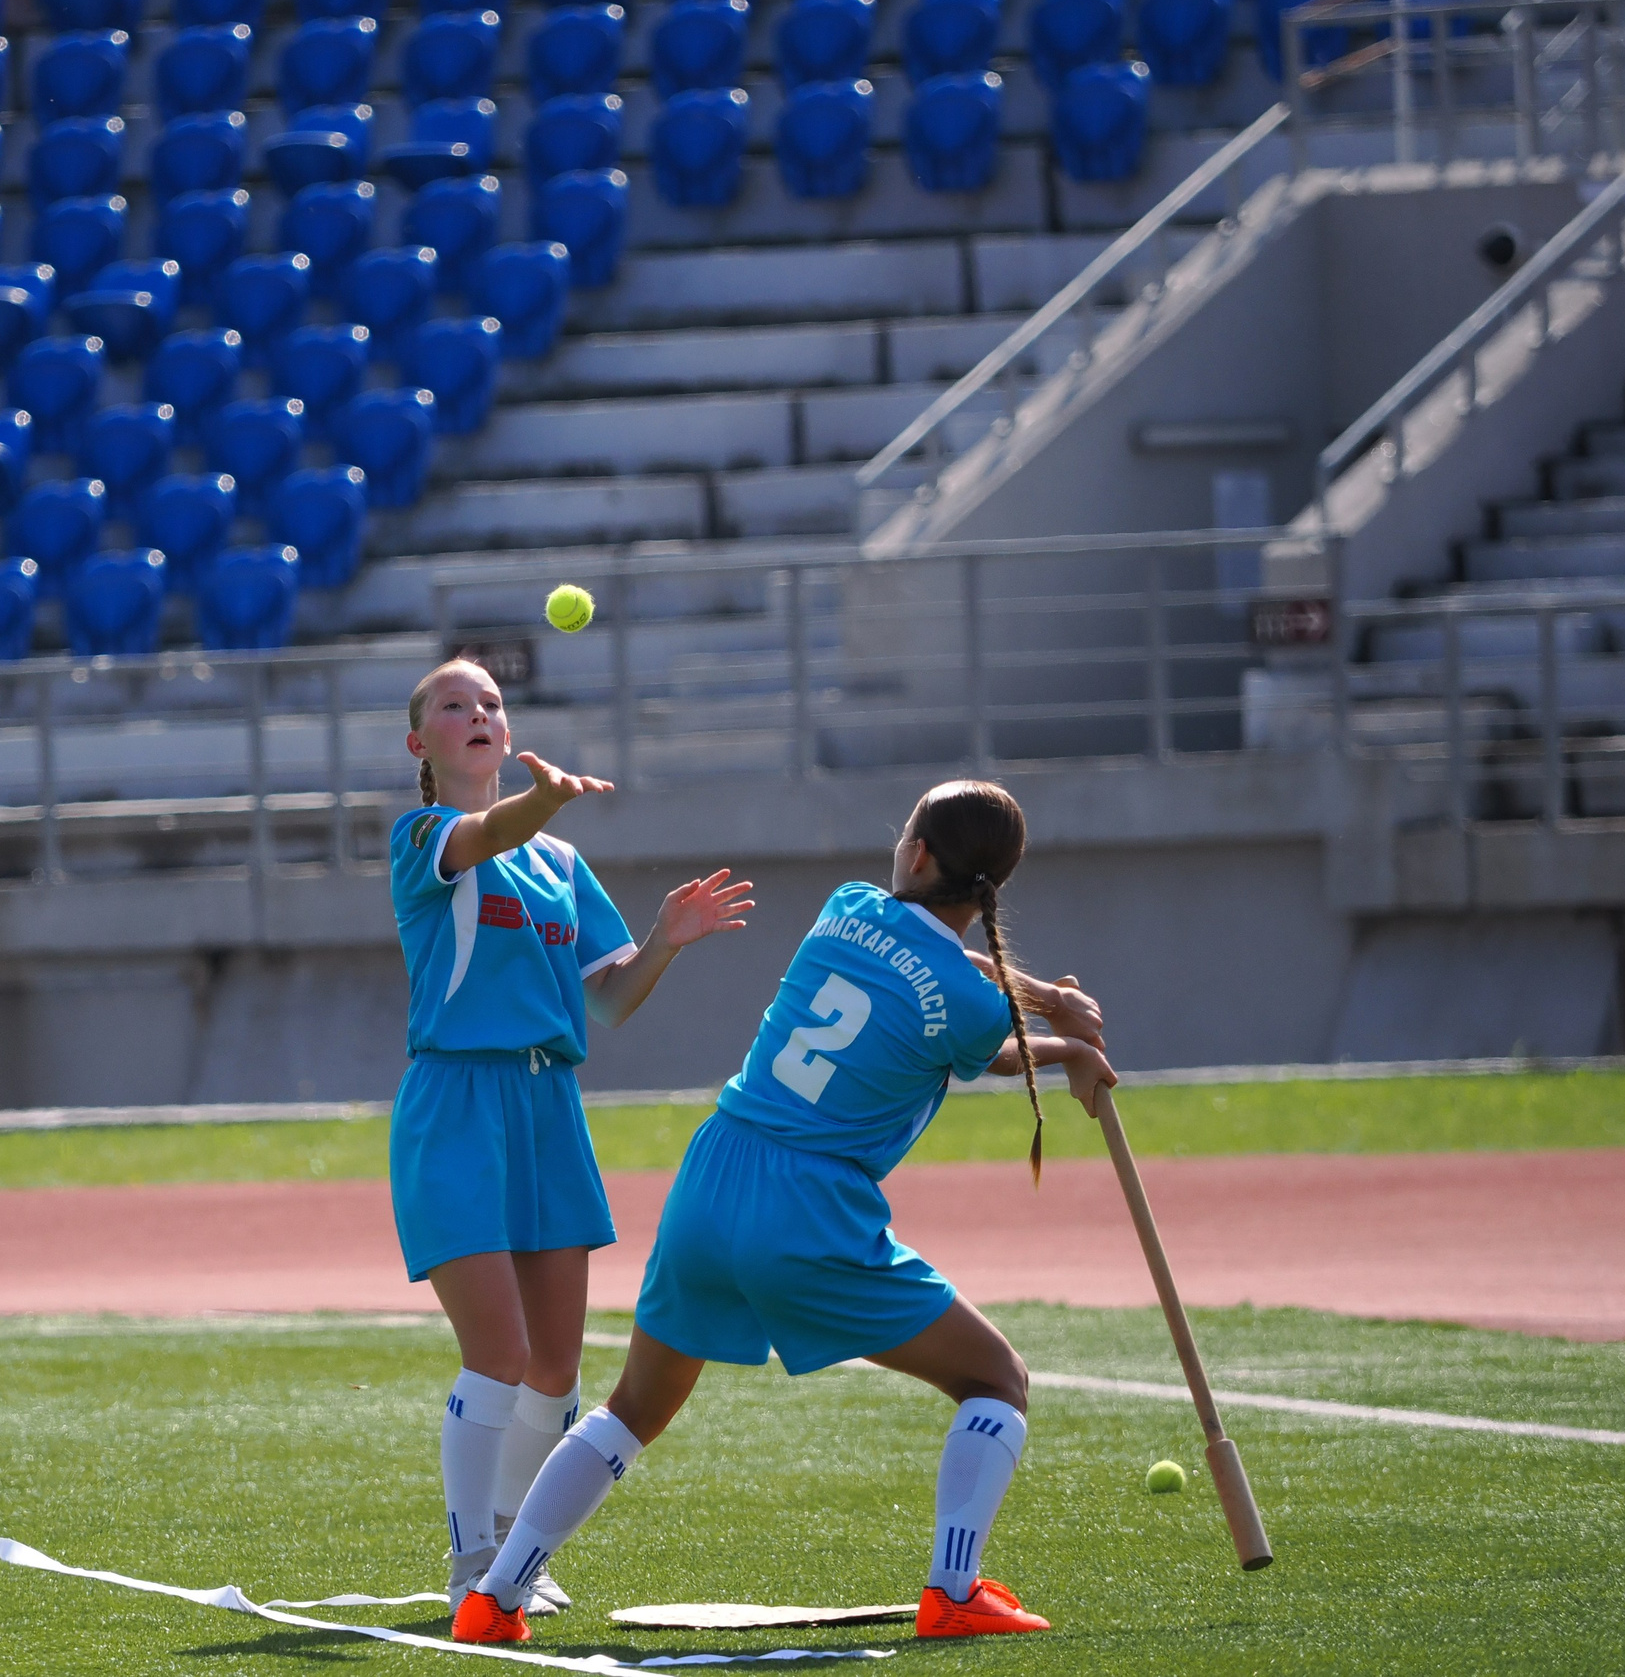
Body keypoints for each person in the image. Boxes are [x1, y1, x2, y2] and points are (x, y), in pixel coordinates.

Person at [452, 779, 1116, 1645]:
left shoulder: (847, 907)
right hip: (808, 1207)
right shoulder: (971, 1001)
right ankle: (954, 1589)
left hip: (715, 1170)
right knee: (998, 1380)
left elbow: (934, 960)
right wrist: (1062, 1035)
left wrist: (1049, 1011)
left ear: (917, 855)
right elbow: (979, 1025)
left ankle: (496, 1594)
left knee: (632, 1407)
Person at [391, 658, 754, 1617]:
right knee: (497, 1354)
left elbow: (613, 999)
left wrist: (666, 937)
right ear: (421, 741)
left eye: (491, 703)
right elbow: (489, 833)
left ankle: (516, 1549)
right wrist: (545, 800)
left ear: (508, 732)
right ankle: (470, 1559)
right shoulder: (423, 835)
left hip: (550, 1104)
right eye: (454, 705)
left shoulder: (558, 862)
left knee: (555, 1367)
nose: (479, 713)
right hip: (458, 1103)